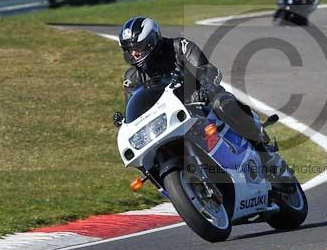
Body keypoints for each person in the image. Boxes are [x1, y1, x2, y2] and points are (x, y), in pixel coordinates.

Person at [112, 16, 295, 184]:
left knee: (221, 104)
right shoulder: (132, 78)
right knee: (145, 155)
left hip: (202, 102)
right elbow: (134, 111)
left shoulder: (179, 47)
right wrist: (125, 124)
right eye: (130, 49)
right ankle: (171, 185)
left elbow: (206, 69)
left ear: (152, 41)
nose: (135, 53)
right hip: (170, 119)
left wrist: (205, 89)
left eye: (139, 47)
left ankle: (263, 151)